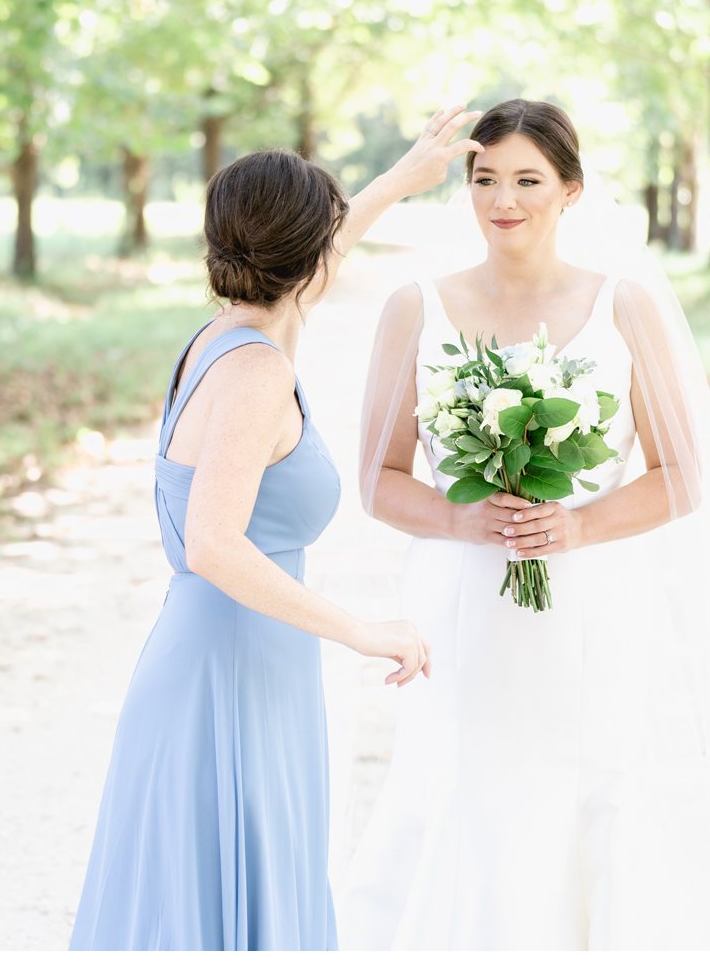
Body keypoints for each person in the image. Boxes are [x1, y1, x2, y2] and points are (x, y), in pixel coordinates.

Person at [342, 98, 710, 949]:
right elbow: (377, 480)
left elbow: (682, 476)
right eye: (485, 179)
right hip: (467, 604)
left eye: (527, 180)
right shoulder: (415, 308)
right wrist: (462, 520)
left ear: (571, 191)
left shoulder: (625, 307)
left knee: (594, 792)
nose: (504, 199)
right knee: (473, 788)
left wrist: (575, 529)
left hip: (593, 605)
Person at [69, 107, 484, 951]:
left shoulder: (226, 334)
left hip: (236, 660)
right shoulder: (257, 372)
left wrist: (403, 177)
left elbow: (321, 246)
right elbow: (213, 544)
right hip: (224, 673)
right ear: (309, 262)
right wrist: (363, 630)